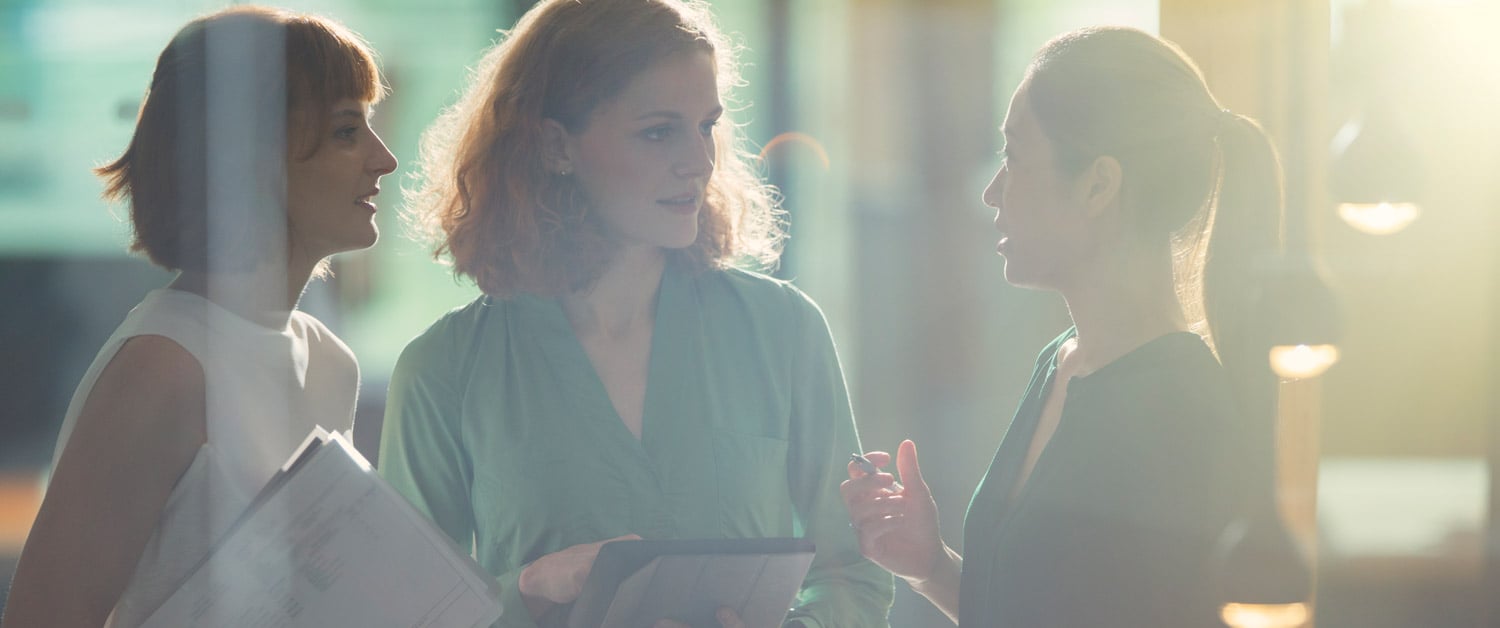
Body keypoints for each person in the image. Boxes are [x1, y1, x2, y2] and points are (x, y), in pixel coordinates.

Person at [378, 1, 893, 626]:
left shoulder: (784, 330)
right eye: (658, 130)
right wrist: (533, 586)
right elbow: (403, 613)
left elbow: (853, 576)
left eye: (706, 126)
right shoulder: (443, 372)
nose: (698, 162)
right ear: (555, 144)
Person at [841, 26, 1283, 627]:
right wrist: (931, 566)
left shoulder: (1181, 408)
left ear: (1098, 184)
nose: (993, 192)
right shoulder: (1062, 360)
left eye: (1015, 157)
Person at [2, 7, 397, 628]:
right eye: (348, 131)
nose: (384, 160)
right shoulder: (165, 367)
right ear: (248, 156)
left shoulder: (328, 361)